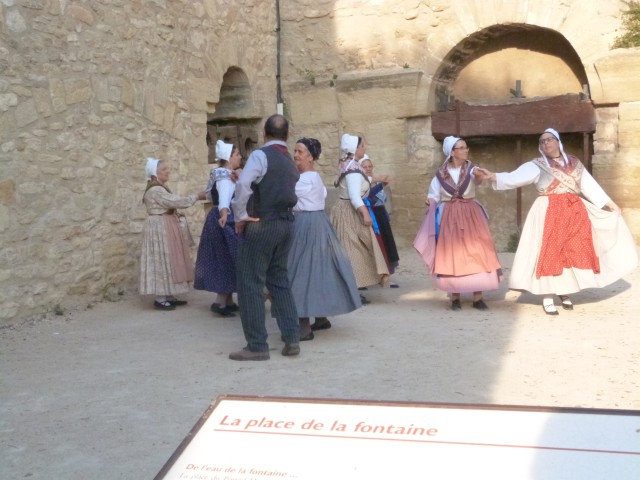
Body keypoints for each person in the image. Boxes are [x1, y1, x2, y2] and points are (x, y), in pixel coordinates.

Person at [476, 128, 638, 315]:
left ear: (558, 142)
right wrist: (493, 176)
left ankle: (564, 291)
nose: (546, 143)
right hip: (548, 211)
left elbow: (589, 186)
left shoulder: (575, 164)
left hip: (574, 212)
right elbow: (514, 177)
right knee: (549, 252)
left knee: (571, 251)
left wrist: (610, 204)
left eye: (549, 139)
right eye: (542, 141)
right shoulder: (536, 165)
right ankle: (547, 296)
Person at [229, 114, 301, 360]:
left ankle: (257, 345)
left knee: (250, 282)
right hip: (286, 223)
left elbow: (243, 186)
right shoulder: (290, 160)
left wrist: (240, 216)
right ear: (287, 136)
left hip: (262, 222)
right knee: (280, 279)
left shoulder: (260, 156)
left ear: (264, 134)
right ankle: (292, 338)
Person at [414, 136, 501, 310]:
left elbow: (477, 180)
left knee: (478, 250)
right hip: (450, 215)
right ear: (452, 152)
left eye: (466, 147)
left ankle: (478, 297)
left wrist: (478, 177)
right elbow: (434, 194)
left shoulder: (471, 168)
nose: (465, 150)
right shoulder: (440, 175)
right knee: (453, 253)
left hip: (470, 213)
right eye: (461, 148)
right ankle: (455, 297)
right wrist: (430, 201)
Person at [287, 137, 361, 338]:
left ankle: (303, 327)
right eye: (295, 151)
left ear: (311, 157)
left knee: (299, 271)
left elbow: (286, 197)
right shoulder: (313, 176)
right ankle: (320, 317)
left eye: (300, 152)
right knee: (318, 269)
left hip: (305, 224)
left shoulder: (304, 179)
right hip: (318, 223)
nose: (295, 155)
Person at [139, 158, 206, 310]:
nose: (167, 171)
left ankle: (168, 294)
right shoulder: (155, 190)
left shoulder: (161, 188)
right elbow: (175, 201)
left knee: (169, 260)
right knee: (162, 259)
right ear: (155, 173)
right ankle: (160, 298)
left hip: (165, 225)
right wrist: (196, 196)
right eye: (163, 169)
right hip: (159, 228)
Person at [331, 134, 389, 303]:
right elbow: (355, 196)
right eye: (362, 146)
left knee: (355, 249)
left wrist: (377, 179)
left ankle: (352, 287)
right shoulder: (353, 170)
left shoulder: (348, 166)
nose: (365, 149)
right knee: (353, 251)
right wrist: (365, 213)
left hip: (344, 210)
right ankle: (351, 291)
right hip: (350, 212)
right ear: (355, 149)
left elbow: (363, 180)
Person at [194, 140, 242, 317]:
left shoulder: (218, 174)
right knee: (226, 258)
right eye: (237, 154)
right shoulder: (225, 177)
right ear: (229, 157)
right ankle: (220, 301)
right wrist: (224, 214)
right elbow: (223, 197)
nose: (240, 157)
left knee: (226, 258)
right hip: (225, 220)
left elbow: (207, 193)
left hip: (216, 218)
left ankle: (228, 300)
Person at [360, 155, 400, 285]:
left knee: (386, 245)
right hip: (371, 216)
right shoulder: (362, 183)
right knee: (375, 246)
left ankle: (386, 275)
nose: (368, 169)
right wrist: (381, 184)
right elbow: (369, 195)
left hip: (381, 215)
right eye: (364, 167)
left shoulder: (375, 181)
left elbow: (382, 200)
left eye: (370, 166)